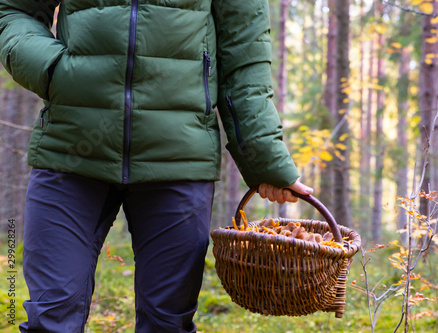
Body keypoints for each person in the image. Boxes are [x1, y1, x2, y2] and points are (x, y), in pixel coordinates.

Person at [0, 0, 312, 332]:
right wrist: (54, 70)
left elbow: (244, 60)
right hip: (69, 151)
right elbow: (11, 11)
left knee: (167, 323)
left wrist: (265, 159)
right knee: (51, 316)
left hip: (179, 161)